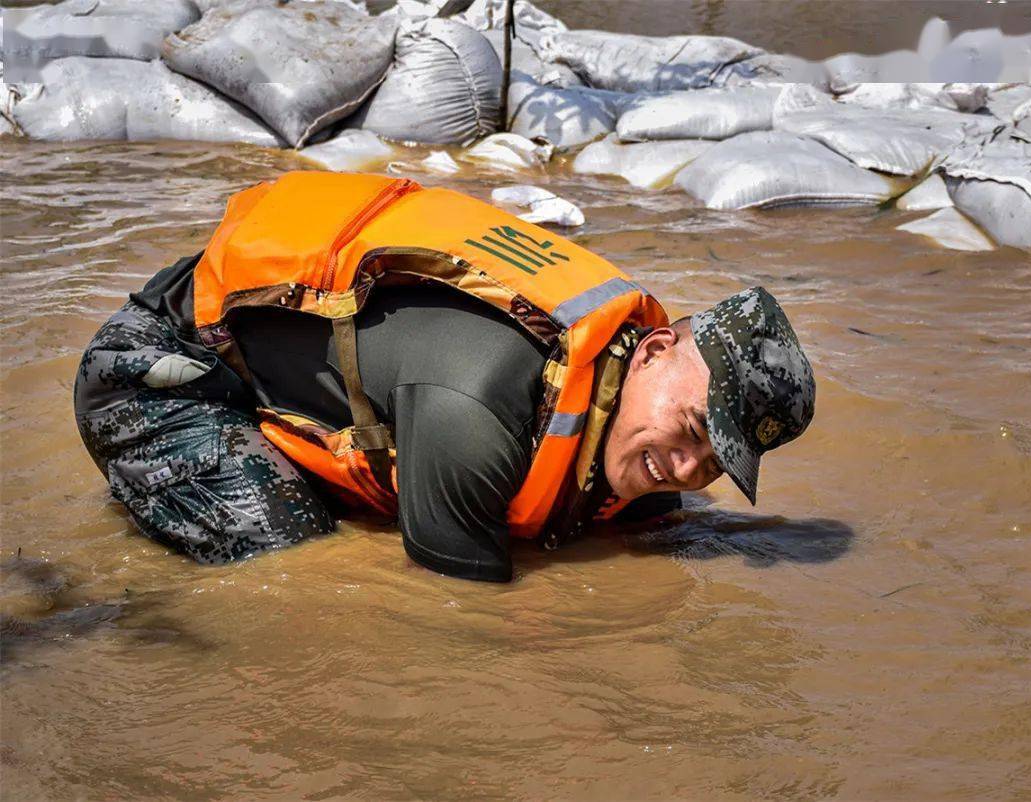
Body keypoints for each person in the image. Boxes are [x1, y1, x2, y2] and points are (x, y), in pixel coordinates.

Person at [74, 172, 815, 582]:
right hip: (162, 373)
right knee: (302, 570)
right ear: (650, 352)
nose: (686, 468)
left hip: (285, 362)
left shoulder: (625, 399)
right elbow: (459, 610)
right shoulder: (478, 409)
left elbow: (657, 521)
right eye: (693, 429)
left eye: (716, 458)